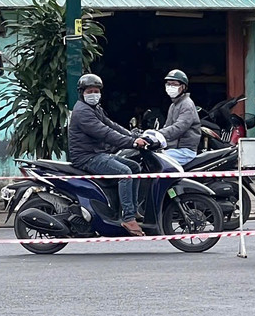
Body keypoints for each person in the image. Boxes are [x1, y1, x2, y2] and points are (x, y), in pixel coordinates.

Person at [67, 73, 148, 235]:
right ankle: (128, 218)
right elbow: (104, 133)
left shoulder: (95, 108)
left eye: (96, 91)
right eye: (89, 91)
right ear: (82, 93)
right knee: (125, 173)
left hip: (97, 153)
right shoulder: (82, 111)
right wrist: (131, 143)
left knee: (135, 167)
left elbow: (112, 126)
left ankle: (131, 209)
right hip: (87, 157)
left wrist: (134, 136)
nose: (93, 95)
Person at [156, 69, 201, 166]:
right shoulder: (174, 105)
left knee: (155, 160)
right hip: (173, 149)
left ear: (183, 87)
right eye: (168, 84)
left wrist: (157, 134)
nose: (170, 87)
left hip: (184, 151)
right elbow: (167, 126)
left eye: (174, 84)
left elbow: (179, 127)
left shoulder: (187, 104)